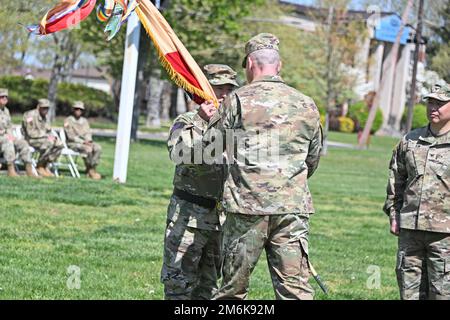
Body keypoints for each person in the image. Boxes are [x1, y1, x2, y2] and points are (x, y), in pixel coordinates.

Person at [201, 33, 323, 300]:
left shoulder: (236, 100)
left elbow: (211, 148)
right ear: (278, 66)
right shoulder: (306, 103)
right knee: (295, 290)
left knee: (232, 291)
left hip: (247, 208)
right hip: (291, 208)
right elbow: (313, 157)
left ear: (249, 65)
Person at [161, 64, 239, 300]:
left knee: (209, 288)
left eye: (229, 88)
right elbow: (179, 153)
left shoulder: (234, 126)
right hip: (188, 217)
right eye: (218, 88)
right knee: (179, 285)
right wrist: (201, 121)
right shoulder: (187, 120)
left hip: (221, 220)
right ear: (204, 89)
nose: (224, 94)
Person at [383, 83, 450, 300]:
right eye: (431, 102)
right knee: (409, 293)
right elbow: (397, 179)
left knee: (442, 294)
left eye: (440, 103)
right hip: (411, 230)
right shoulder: (411, 141)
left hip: (445, 234)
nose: (434, 107)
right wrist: (394, 214)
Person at [22, 99, 63, 177]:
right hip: (31, 139)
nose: (45, 110)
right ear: (38, 107)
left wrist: (52, 137)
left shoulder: (45, 117)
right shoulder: (30, 115)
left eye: (47, 108)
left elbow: (48, 130)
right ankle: (40, 166)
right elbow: (30, 133)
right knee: (49, 142)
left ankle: (46, 164)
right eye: (43, 108)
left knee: (60, 144)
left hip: (43, 139)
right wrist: (47, 136)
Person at [0, 88, 36, 177]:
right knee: (7, 142)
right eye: (2, 97)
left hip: (6, 136)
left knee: (22, 143)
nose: (4, 98)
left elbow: (9, 126)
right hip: (1, 138)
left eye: (6, 97)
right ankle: (10, 169)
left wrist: (11, 135)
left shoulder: (6, 111)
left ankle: (29, 169)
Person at [64, 101, 102, 180]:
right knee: (88, 149)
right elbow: (70, 136)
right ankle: (90, 170)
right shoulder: (68, 121)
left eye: (80, 109)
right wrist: (83, 142)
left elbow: (88, 132)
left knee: (98, 148)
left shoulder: (84, 121)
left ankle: (92, 167)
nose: (78, 111)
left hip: (86, 142)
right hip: (73, 143)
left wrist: (89, 140)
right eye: (76, 109)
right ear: (73, 110)